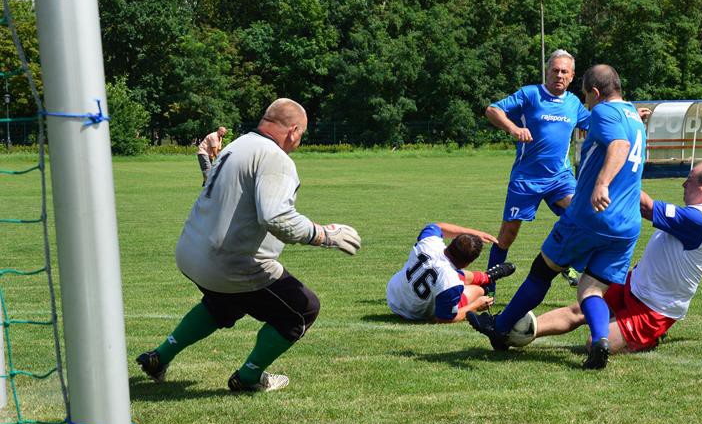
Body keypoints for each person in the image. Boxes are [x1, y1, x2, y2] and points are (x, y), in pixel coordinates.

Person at [135, 98, 361, 393]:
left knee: (224, 304)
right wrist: (324, 235)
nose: (299, 141)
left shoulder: (237, 144)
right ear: (293, 131)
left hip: (191, 253)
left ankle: (159, 357)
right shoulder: (276, 159)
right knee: (302, 309)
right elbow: (276, 217)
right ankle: (249, 376)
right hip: (226, 262)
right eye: (301, 135)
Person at [469, 64, 647, 369]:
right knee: (592, 288)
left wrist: (601, 184)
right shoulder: (634, 115)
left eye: (587, 97)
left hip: (591, 216)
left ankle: (499, 328)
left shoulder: (604, 112)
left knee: (542, 270)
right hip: (627, 225)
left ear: (594, 92)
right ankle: (600, 341)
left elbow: (619, 146)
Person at [531, 163, 702, 354]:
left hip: (655, 307)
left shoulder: (700, 220)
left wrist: (618, 173)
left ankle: (650, 337)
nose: (683, 184)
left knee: (594, 344)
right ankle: (521, 330)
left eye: (690, 180)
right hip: (635, 283)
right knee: (580, 309)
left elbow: (646, 207)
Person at [484, 49, 591, 289]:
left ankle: (570, 264)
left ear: (572, 76)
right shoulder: (530, 94)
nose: (559, 75)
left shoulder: (573, 103)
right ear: (547, 72)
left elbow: (596, 123)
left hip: (560, 179)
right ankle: (487, 284)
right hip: (526, 179)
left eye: (565, 71)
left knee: (581, 216)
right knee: (507, 236)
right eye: (555, 70)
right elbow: (492, 110)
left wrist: (629, 115)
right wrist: (513, 129)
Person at [386, 222, 517, 323]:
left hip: (394, 294)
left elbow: (437, 226)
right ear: (467, 263)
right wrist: (476, 306)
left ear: (452, 243)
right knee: (479, 291)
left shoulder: (429, 243)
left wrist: (474, 233)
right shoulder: (451, 281)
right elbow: (444, 318)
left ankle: (487, 276)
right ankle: (486, 280)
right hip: (413, 313)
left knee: (453, 275)